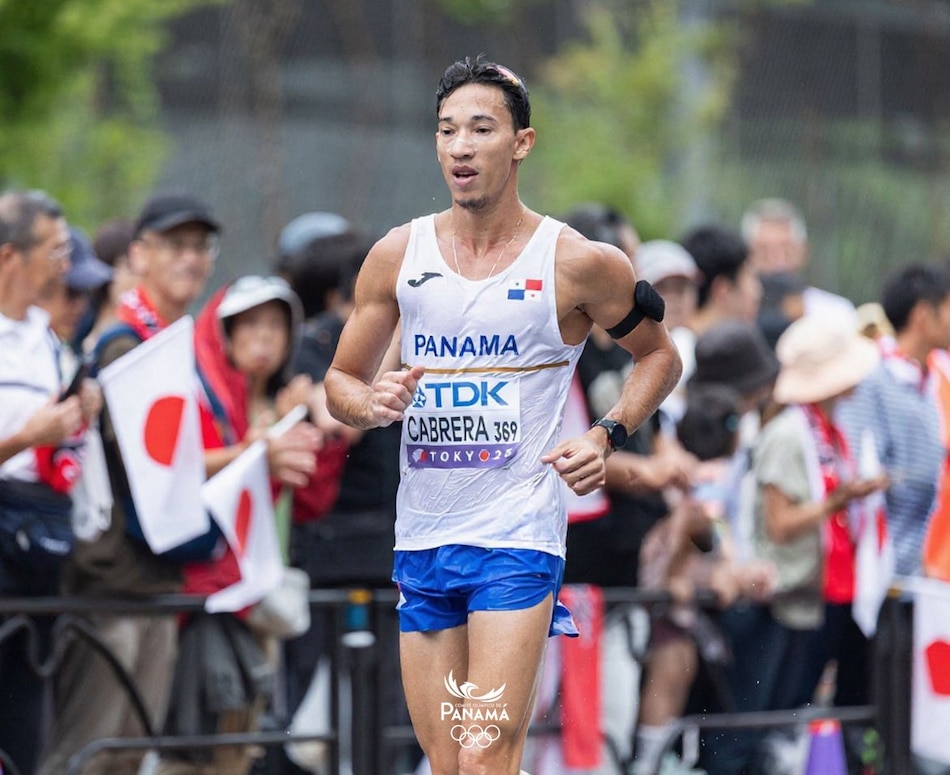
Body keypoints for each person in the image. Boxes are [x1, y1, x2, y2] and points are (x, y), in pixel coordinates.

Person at [323, 56, 682, 774]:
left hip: (517, 537)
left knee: (485, 754)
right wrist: (372, 402)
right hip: (423, 535)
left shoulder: (576, 262)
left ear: (521, 143)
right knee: (446, 762)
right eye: (447, 130)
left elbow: (659, 357)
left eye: (481, 129)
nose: (461, 146)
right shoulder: (397, 255)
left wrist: (606, 434)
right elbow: (340, 382)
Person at [38, 193, 304, 775]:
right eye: (175, 245)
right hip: (111, 583)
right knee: (88, 754)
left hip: (158, 580)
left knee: (129, 756)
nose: (190, 259)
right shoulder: (124, 342)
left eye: (201, 247)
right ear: (138, 255)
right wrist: (254, 453)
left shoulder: (170, 341)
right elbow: (154, 464)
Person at [157, 274, 318, 775]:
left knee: (240, 743)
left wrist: (304, 429)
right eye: (249, 324)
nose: (263, 336)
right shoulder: (201, 395)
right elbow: (175, 470)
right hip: (202, 593)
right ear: (223, 333)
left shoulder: (279, 406)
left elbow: (307, 500)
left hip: (256, 593)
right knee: (196, 741)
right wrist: (253, 453)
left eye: (275, 324)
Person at [0, 189, 104, 774]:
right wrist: (26, 437)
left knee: (26, 724)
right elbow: (28, 438)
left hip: (42, 542)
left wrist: (77, 411)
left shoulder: (47, 338)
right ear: (10, 257)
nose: (65, 265)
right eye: (55, 250)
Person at [740, 197, 856, 323]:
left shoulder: (835, 313)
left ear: (804, 252)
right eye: (763, 252)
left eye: (786, 251)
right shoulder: (736, 314)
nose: (776, 261)